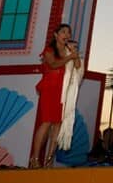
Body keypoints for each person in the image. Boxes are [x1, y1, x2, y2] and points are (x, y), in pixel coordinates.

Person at [30, 24, 82, 168]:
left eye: (69, 33)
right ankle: (34, 158)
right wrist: (69, 56)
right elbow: (53, 64)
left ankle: (49, 159)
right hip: (50, 89)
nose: (67, 35)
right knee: (46, 122)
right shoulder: (49, 50)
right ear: (56, 35)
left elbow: (78, 67)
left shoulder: (68, 51)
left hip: (63, 92)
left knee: (57, 125)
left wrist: (73, 54)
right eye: (63, 32)